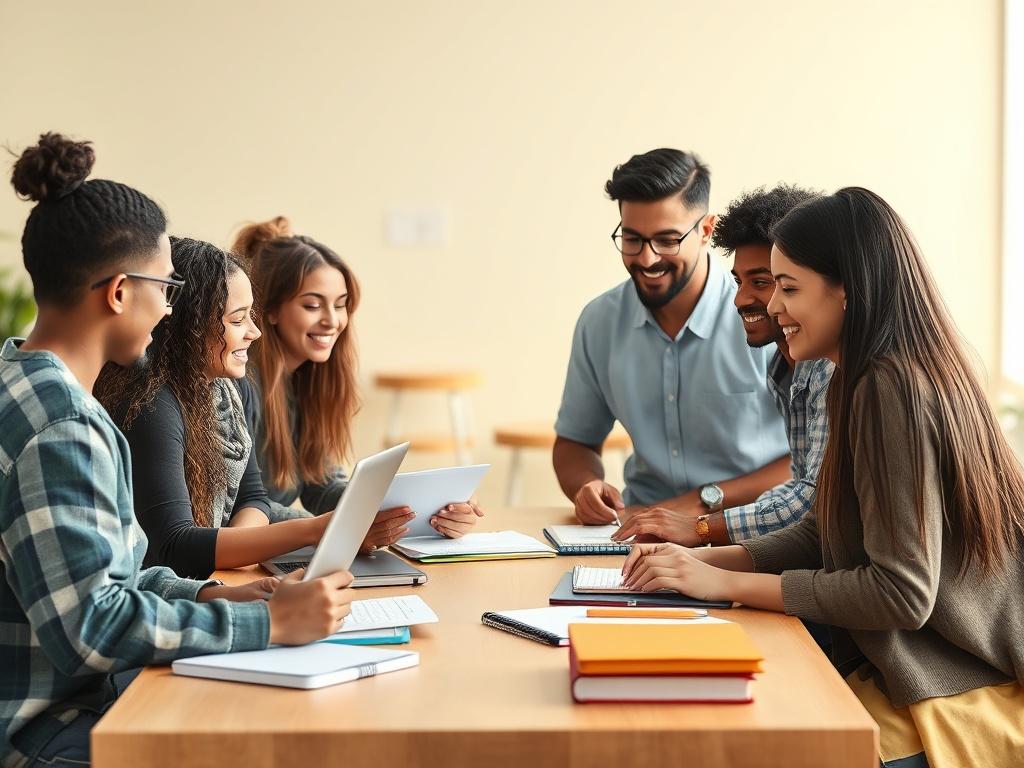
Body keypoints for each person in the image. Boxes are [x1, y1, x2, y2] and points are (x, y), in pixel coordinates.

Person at [621, 187, 1024, 768]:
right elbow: (823, 533)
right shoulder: (856, 379)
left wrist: (723, 583)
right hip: (919, 665)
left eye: (788, 288)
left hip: (958, 681)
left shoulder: (891, 389)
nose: (772, 307)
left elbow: (901, 593)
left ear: (847, 290)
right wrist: (698, 565)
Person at [0, 133, 352, 768]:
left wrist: (220, 597)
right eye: (166, 288)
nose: (170, 309)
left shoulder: (21, 382)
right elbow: (92, 631)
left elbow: (121, 577)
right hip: (47, 729)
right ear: (117, 292)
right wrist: (269, 626)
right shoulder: (63, 429)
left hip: (78, 707)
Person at [553, 148, 790, 529]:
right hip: (640, 529)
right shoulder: (599, 321)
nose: (647, 259)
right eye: (632, 239)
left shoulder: (764, 312)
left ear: (706, 231)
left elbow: (812, 458)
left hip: (753, 526)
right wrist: (586, 486)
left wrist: (700, 502)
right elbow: (575, 442)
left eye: (666, 240)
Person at [231, 217, 483, 550]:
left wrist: (420, 513)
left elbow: (320, 485)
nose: (332, 321)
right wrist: (338, 528)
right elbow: (235, 508)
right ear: (270, 310)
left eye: (341, 305)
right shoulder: (239, 387)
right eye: (312, 305)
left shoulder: (308, 383)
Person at [95, 237, 336, 578]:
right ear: (187, 327)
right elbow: (172, 547)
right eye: (238, 321)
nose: (255, 333)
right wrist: (314, 531)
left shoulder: (230, 388)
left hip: (213, 575)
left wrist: (231, 552)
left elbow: (253, 498)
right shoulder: (151, 405)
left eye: (250, 316)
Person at [613, 184, 832, 546]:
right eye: (738, 281)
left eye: (763, 282)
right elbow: (799, 489)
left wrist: (701, 528)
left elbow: (812, 502)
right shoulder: (784, 370)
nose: (741, 299)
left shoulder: (831, 369)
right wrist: (705, 547)